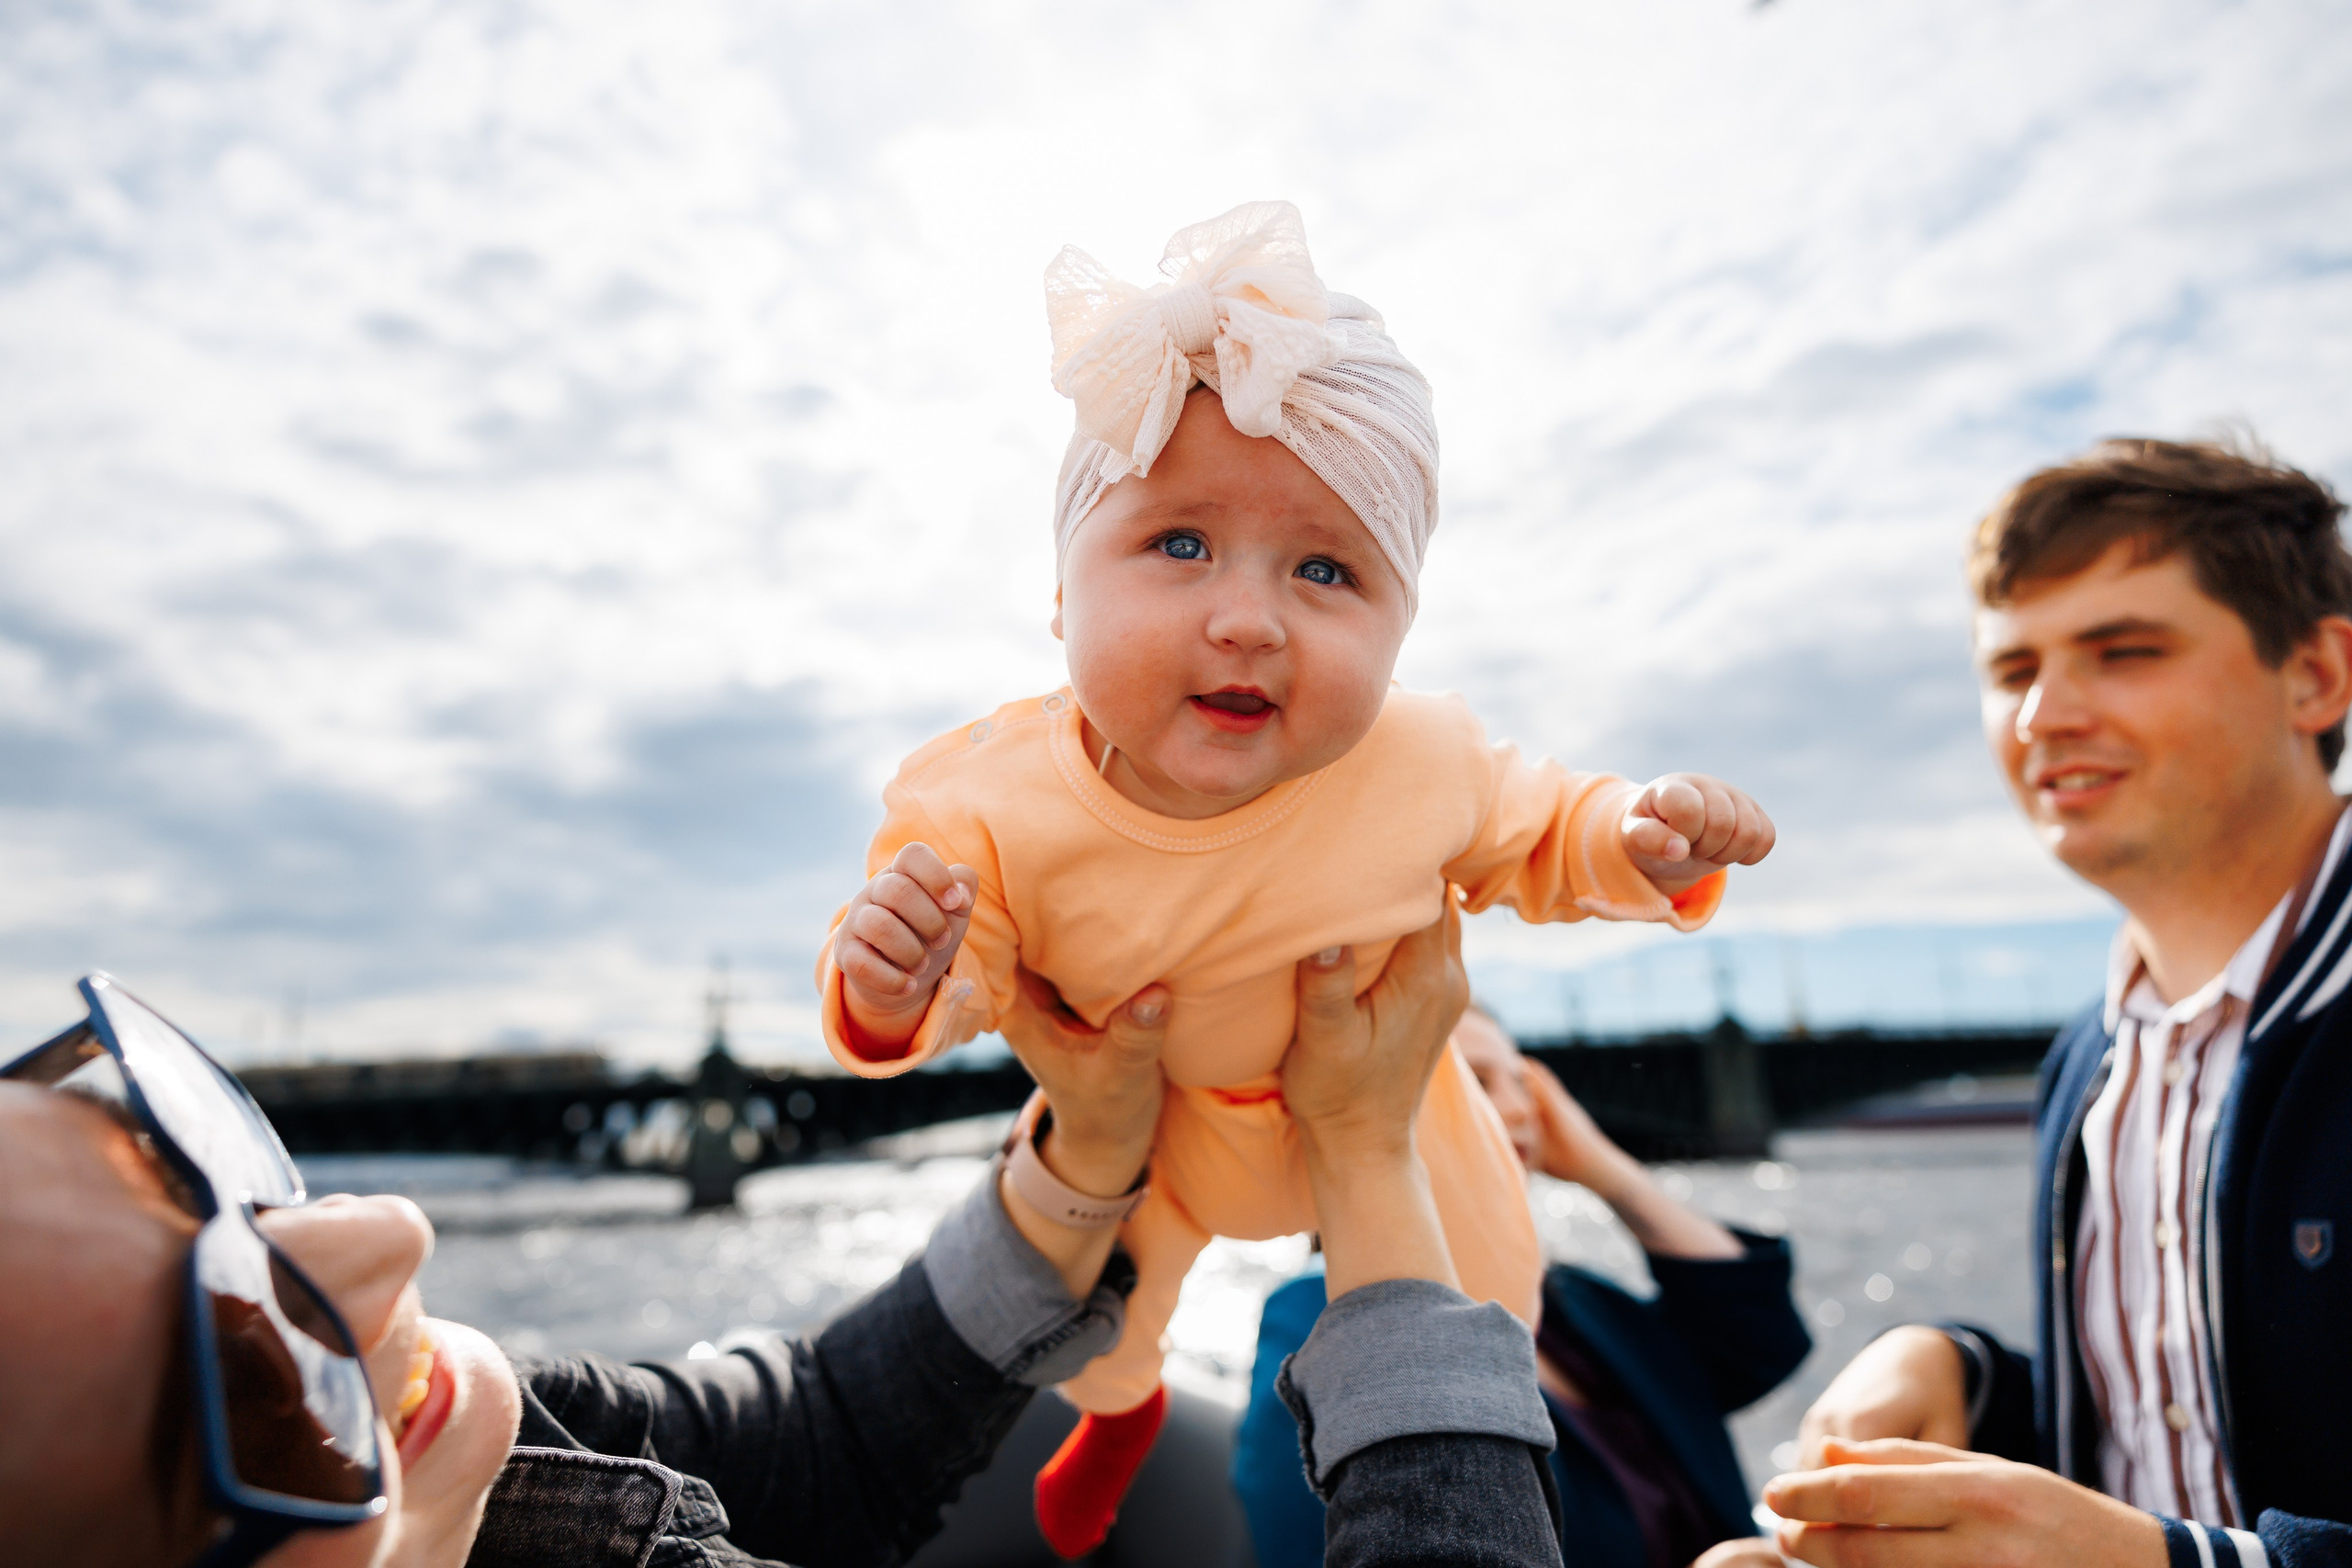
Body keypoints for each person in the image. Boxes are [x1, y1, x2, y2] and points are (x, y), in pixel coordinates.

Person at [816, 198, 1776, 1556]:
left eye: (1328, 568)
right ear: (1057, 597)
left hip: (1402, 1096)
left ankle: (1502, 1468)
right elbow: (962, 968)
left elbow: (1544, 826)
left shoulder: (1419, 756)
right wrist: (895, 978)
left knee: (1483, 1293)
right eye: (1181, 543)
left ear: (1400, 633)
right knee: (1109, 1296)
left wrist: (1642, 834)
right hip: (1162, 1109)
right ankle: (1123, 1410)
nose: (1250, 616)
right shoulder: (981, 799)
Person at [0, 911, 1581, 1568]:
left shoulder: (478, 1460)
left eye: (191, 1153)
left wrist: (1085, 1155)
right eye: (246, 1354)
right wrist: (1375, 1172)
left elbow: (822, 1436)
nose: (384, 1232)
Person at [1768, 438, 2352, 1568]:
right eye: (2009, 669)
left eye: (2121, 651)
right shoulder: (2091, 1058)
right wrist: (1961, 1373)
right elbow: (2184, 1438)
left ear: (2317, 676)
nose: (2043, 715)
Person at [1234, 1004, 1812, 1568]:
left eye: (1525, 1085)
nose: (1518, 1108)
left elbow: (1758, 1344)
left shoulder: (1568, 1301)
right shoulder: (1328, 1314)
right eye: (1475, 1084)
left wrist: (1604, 1167)